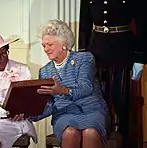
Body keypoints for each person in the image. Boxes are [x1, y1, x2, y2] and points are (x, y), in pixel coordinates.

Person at [30, 19, 110, 148]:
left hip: (92, 110)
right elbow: (49, 104)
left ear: (64, 43)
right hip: (64, 114)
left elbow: (86, 88)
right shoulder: (44, 71)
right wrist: (29, 114)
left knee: (90, 133)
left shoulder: (85, 58)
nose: (46, 49)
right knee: (70, 132)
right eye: (44, 45)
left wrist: (63, 91)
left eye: (50, 44)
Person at [78, 0, 147, 146]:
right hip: (96, 50)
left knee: (122, 102)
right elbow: (84, 22)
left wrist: (140, 57)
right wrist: (82, 53)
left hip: (122, 50)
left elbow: (143, 23)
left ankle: (125, 141)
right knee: (98, 100)